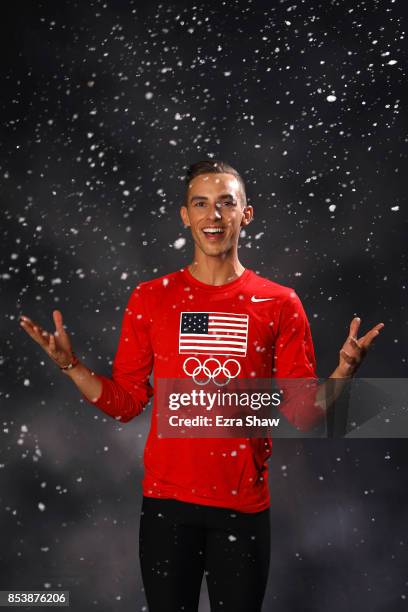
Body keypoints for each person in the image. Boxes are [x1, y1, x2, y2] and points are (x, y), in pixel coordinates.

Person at [19, 160, 384, 611]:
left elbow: (302, 413)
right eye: (201, 204)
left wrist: (345, 370)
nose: (213, 216)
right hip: (167, 509)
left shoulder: (279, 303)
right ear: (185, 216)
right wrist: (71, 366)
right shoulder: (151, 298)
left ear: (245, 215)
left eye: (226, 204)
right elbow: (127, 403)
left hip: (244, 508)